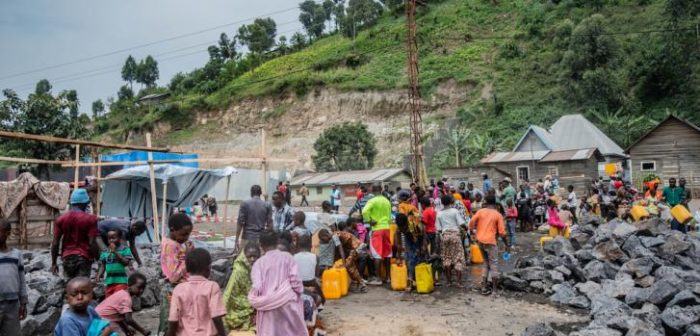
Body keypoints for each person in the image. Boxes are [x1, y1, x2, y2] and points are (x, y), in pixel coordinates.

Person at [248, 231, 308, 336]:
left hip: (268, 307)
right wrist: (297, 295)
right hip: (288, 303)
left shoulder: (258, 264)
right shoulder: (288, 257)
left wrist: (262, 300)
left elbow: (257, 287)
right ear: (277, 242)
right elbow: (296, 282)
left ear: (260, 245)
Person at [167, 248, 226, 336]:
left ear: (186, 269)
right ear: (209, 268)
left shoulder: (178, 289)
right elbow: (216, 317)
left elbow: (173, 319)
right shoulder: (212, 287)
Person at [158, 213, 194, 335]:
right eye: (184, 234)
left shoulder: (175, 244)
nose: (187, 238)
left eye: (188, 234)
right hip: (172, 292)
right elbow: (173, 277)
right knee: (170, 325)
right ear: (173, 230)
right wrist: (187, 257)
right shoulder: (170, 246)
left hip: (178, 290)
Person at [52, 189, 99, 280]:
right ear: (85, 203)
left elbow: (55, 243)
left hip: (67, 257)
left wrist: (54, 262)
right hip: (84, 257)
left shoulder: (61, 219)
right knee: (82, 287)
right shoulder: (90, 219)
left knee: (70, 289)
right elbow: (92, 242)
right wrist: (98, 258)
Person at [468, 195, 508, 296]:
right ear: (495, 204)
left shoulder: (481, 211)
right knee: (494, 264)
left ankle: (484, 287)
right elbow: (502, 232)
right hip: (490, 242)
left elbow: (471, 221)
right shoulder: (497, 214)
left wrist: (472, 231)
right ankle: (494, 290)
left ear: (486, 202)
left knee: (486, 263)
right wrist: (507, 244)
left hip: (480, 240)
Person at [223, 243, 261, 332]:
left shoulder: (260, 269)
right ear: (244, 256)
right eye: (249, 256)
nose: (252, 259)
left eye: (255, 256)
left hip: (255, 304)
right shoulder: (239, 271)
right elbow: (228, 292)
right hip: (240, 307)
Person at [0, 219, 27, 335]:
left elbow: (21, 279)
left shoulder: (16, 255)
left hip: (12, 304)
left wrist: (23, 302)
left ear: (7, 233)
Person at [362, 184, 393, 285]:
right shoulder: (386, 201)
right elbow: (389, 217)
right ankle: (388, 277)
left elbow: (364, 211)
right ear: (381, 189)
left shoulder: (372, 200)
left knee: (377, 255)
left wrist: (369, 220)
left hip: (377, 229)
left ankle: (378, 279)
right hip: (387, 228)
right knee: (388, 253)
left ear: (372, 190)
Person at [436, 194, 466, 288]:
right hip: (455, 236)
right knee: (458, 257)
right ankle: (459, 282)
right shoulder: (454, 211)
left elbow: (439, 229)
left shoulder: (439, 213)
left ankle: (449, 282)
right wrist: (466, 228)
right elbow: (462, 224)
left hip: (445, 236)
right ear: (451, 202)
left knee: (446, 258)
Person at [331, 220, 368, 293]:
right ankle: (360, 285)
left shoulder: (336, 234)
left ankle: (362, 284)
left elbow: (340, 248)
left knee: (348, 266)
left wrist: (344, 260)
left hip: (356, 248)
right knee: (352, 267)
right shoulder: (344, 233)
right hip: (359, 247)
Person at [95, 230, 133, 298]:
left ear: (120, 238)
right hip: (109, 282)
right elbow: (102, 265)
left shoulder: (125, 249)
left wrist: (115, 252)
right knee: (109, 299)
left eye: (113, 238)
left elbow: (125, 263)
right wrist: (99, 275)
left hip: (121, 281)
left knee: (119, 299)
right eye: (109, 238)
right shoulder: (105, 252)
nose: (111, 240)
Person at [237, 185, 273, 251]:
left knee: (245, 259)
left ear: (251, 193)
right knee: (260, 260)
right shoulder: (267, 205)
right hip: (261, 239)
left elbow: (240, 223)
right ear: (260, 193)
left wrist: (236, 239)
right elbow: (270, 225)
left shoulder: (244, 204)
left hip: (247, 238)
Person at [394, 213, 422, 292]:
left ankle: (412, 283)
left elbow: (419, 239)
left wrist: (420, 248)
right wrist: (398, 258)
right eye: (400, 227)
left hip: (417, 242)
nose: (402, 229)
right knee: (407, 261)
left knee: (413, 262)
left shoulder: (412, 226)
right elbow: (398, 245)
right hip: (408, 243)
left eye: (403, 227)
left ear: (406, 223)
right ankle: (411, 282)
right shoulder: (398, 228)